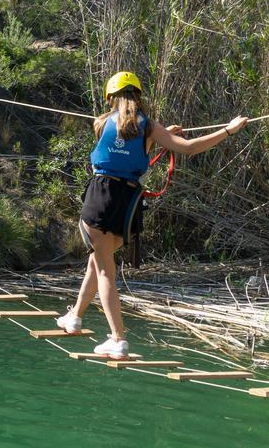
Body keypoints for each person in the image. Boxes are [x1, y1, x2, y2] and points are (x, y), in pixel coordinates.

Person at [55, 71, 249, 359]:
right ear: (138, 96)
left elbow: (117, 143)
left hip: (101, 195)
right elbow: (188, 148)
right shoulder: (149, 127)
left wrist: (161, 135)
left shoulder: (100, 122)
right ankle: (75, 317)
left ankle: (118, 339)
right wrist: (228, 130)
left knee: (105, 267)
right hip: (127, 202)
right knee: (97, 262)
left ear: (111, 98)